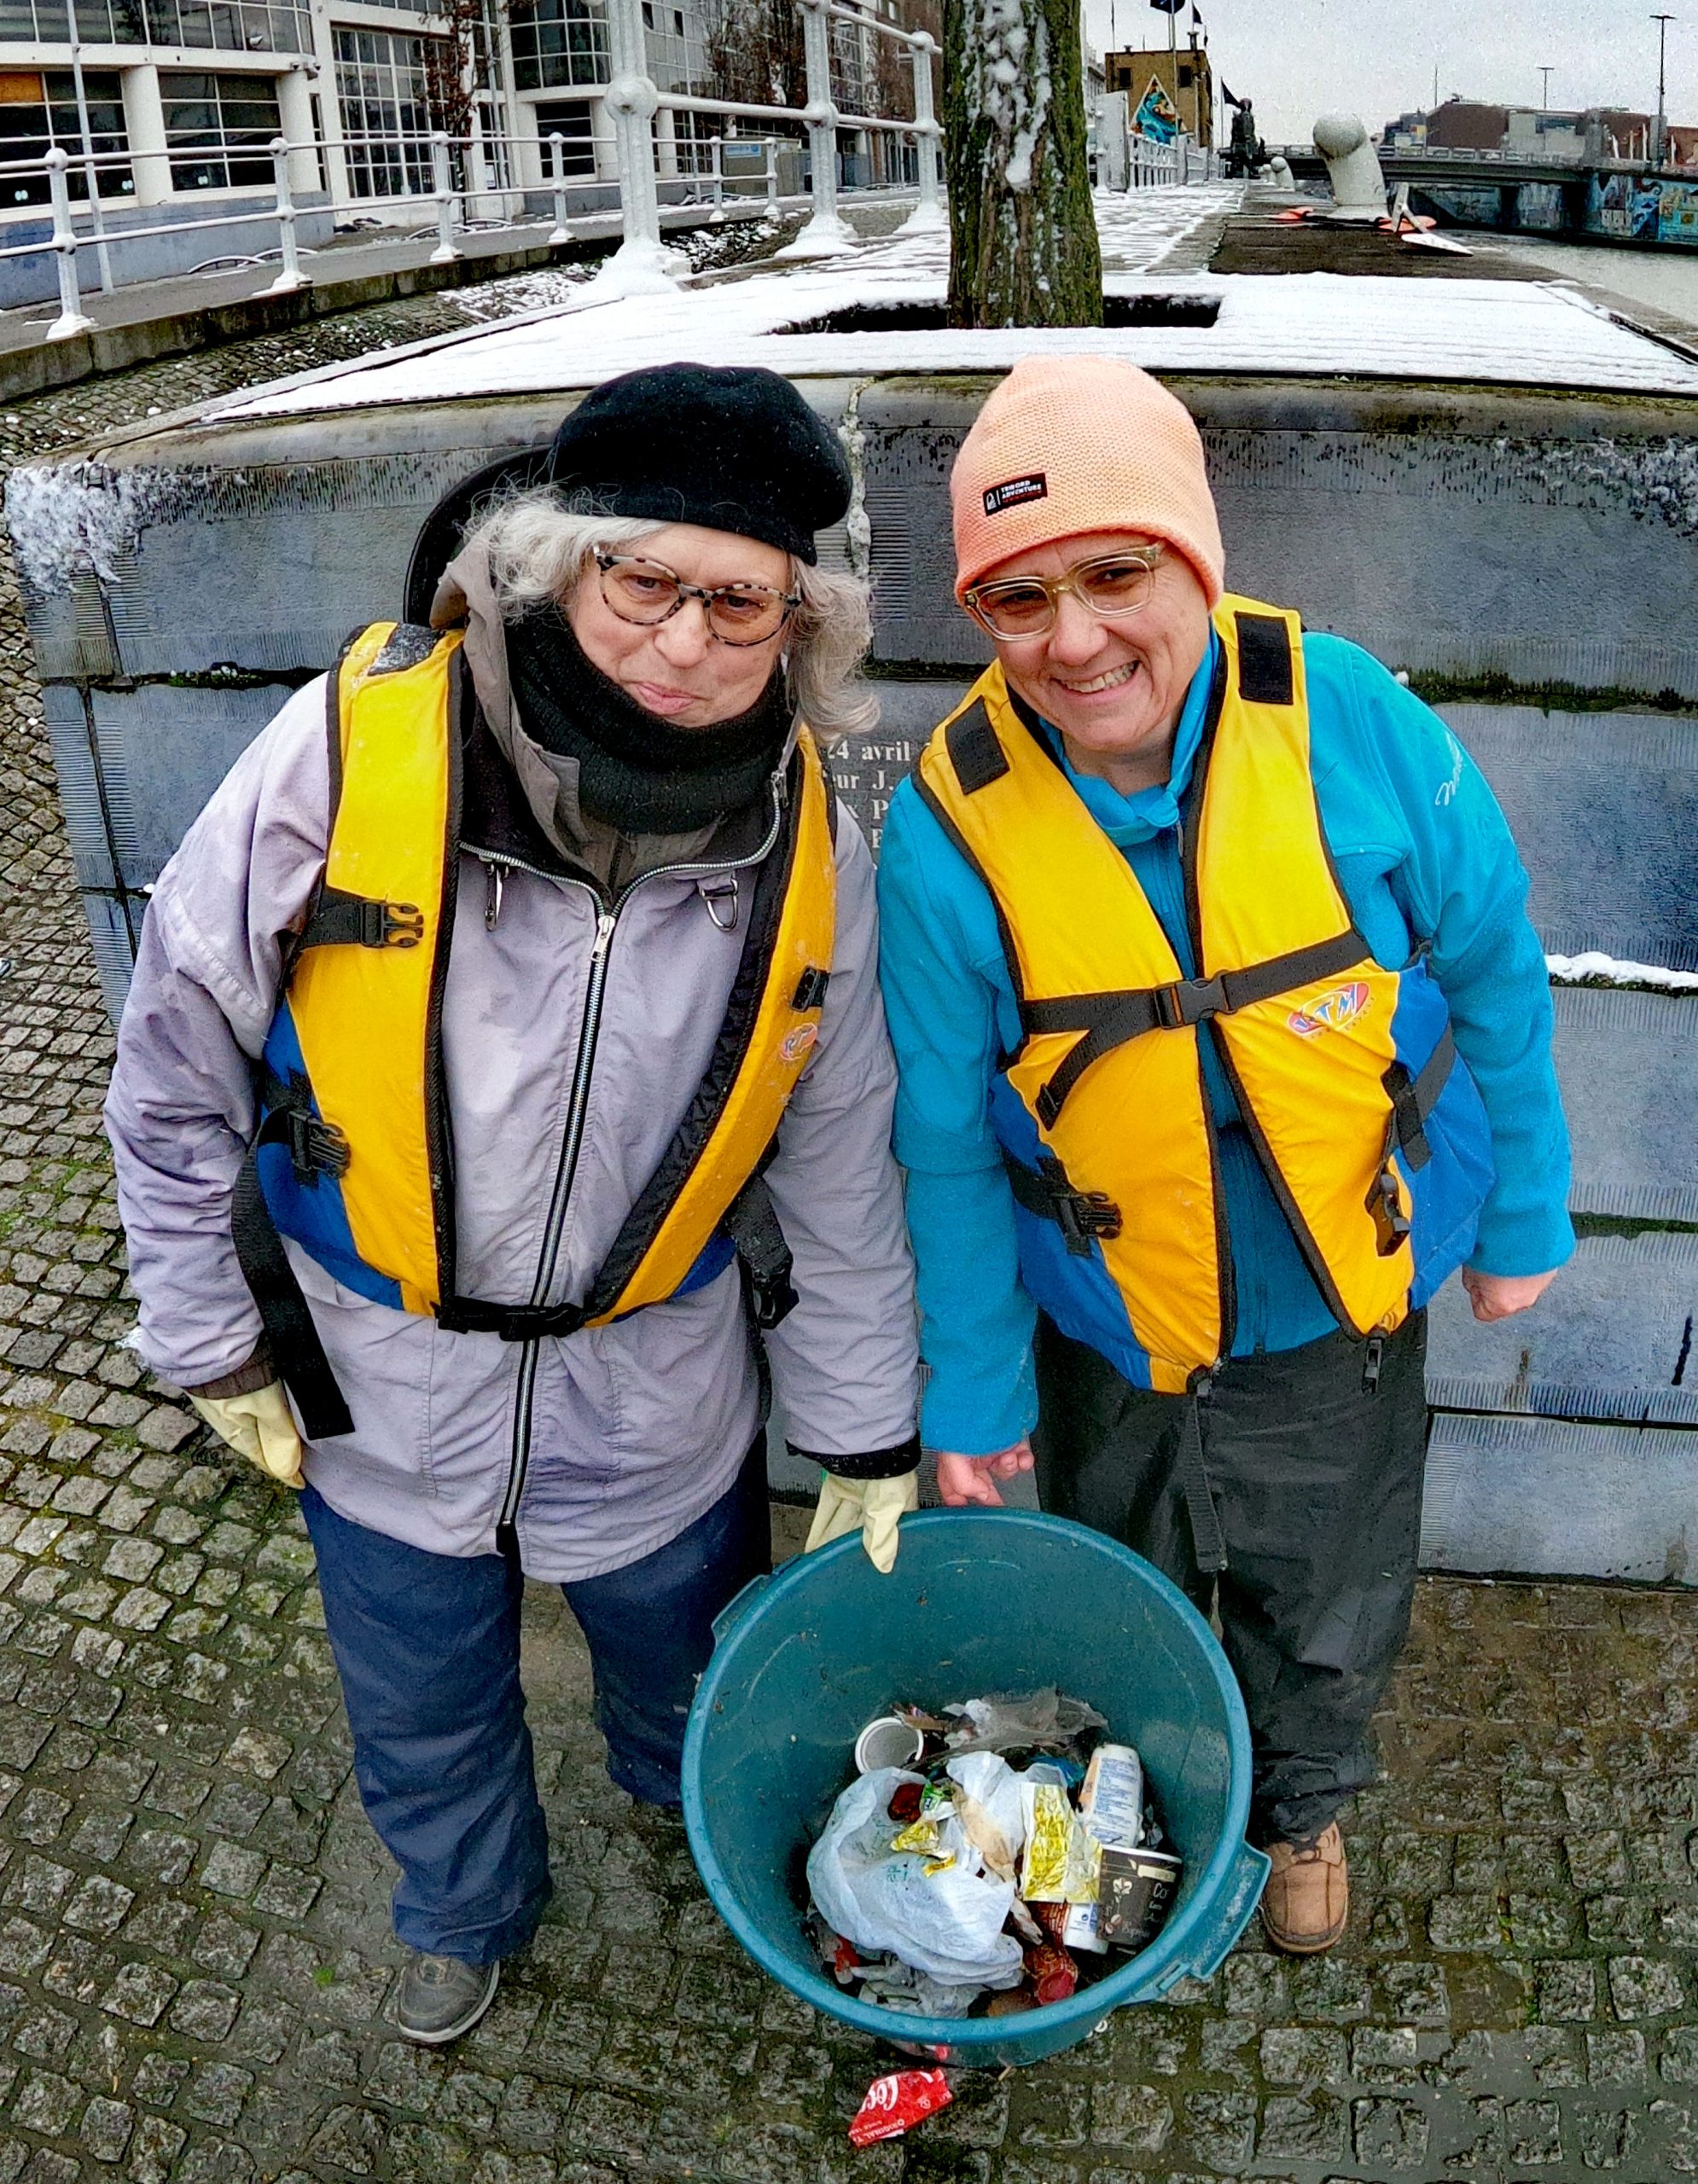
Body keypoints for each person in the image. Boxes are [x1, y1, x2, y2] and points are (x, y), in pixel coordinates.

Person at [105, 363, 921, 2045]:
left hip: (656, 1395)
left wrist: (860, 1425)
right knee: (417, 1697)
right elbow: (173, 1053)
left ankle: (693, 1819)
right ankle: (463, 1907)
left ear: (798, 624)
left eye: (739, 601)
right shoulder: (343, 753)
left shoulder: (812, 839)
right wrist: (203, 1338)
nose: (686, 640)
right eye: (644, 580)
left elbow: (839, 1155)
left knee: (687, 1672)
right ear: (552, 566)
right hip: (378, 1381)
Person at [876, 355, 1571, 1956]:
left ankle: (1302, 1806)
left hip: (1342, 1290)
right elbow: (941, 1138)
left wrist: (1523, 1208)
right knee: (1114, 1579)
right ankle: (1136, 1804)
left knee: (1323, 1591)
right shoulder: (947, 824)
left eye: (1116, 574)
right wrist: (973, 1395)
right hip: (1106, 1311)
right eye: (1015, 597)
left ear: (1194, 560)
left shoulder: (1352, 720)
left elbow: (1494, 966)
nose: (1073, 640)